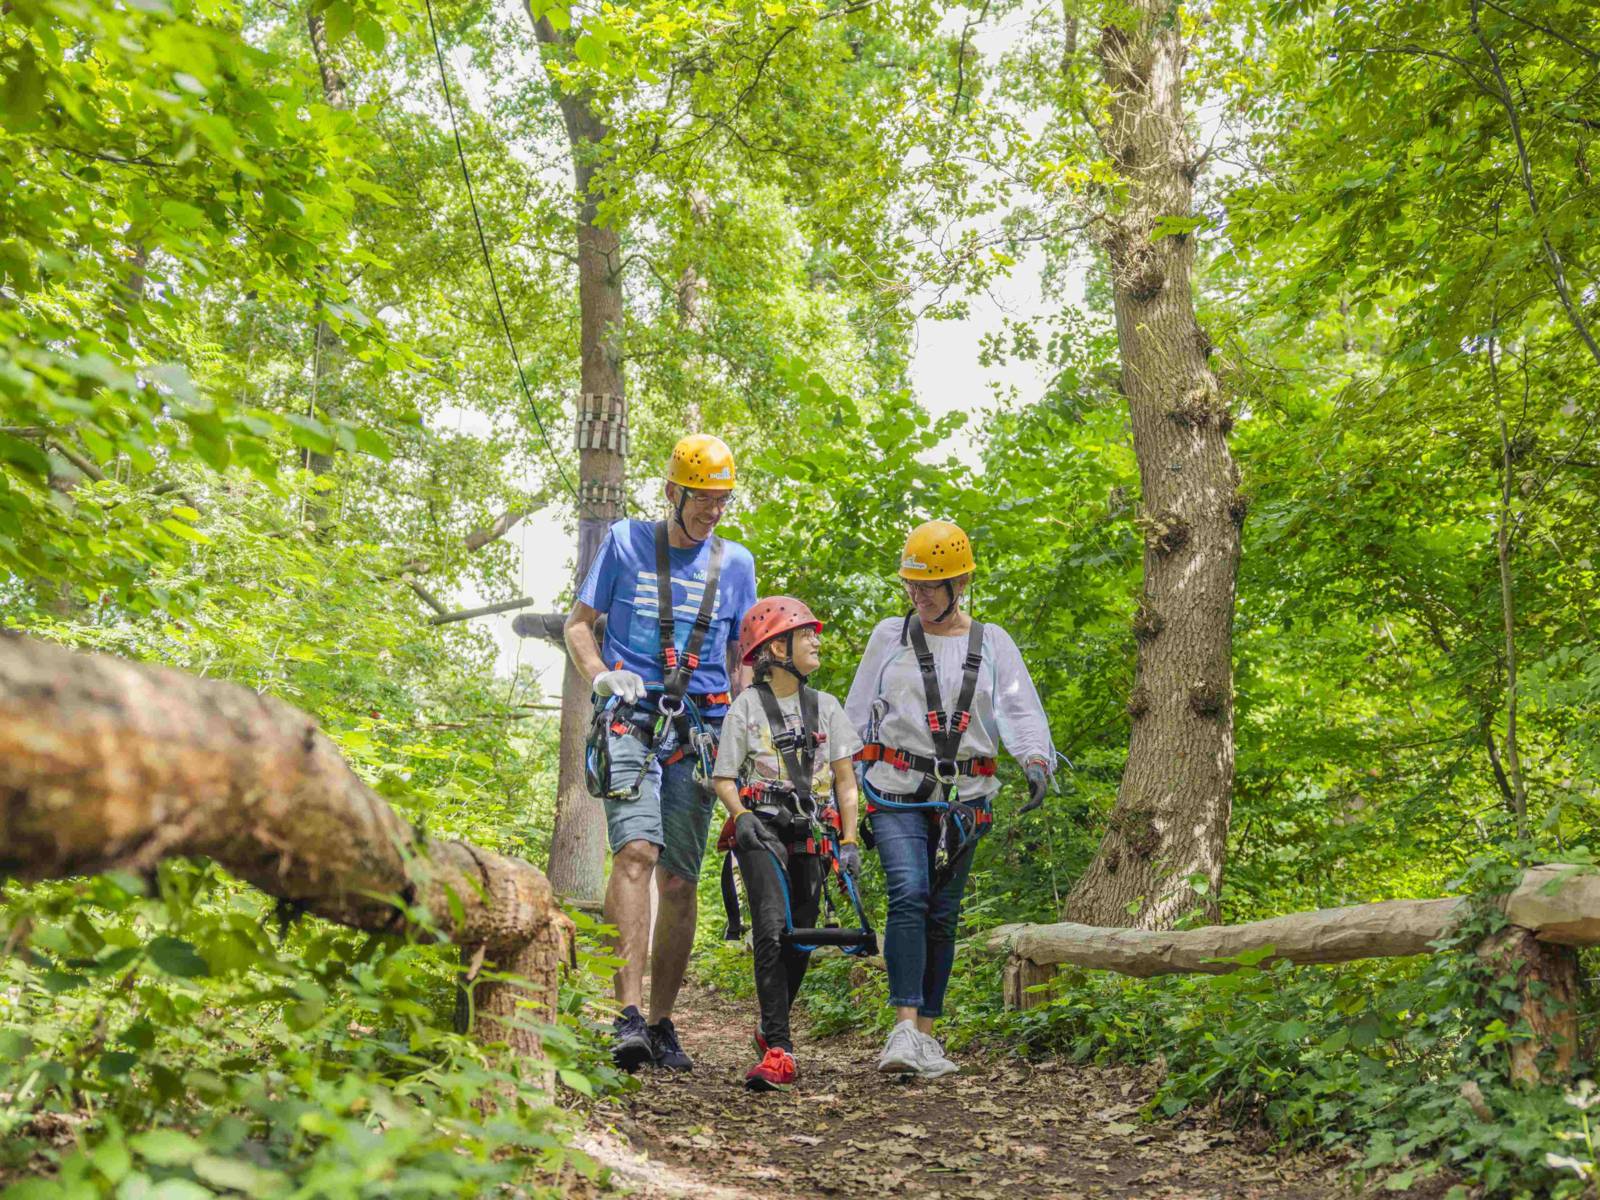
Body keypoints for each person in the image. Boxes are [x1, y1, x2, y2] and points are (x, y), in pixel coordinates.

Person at [564, 434, 757, 1073]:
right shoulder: (623, 543)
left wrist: (742, 725)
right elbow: (577, 623)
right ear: (673, 492)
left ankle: (662, 1021)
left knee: (679, 877)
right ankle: (625, 1015)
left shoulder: (736, 565)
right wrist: (598, 674)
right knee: (637, 853)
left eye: (722, 501)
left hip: (701, 726)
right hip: (631, 717)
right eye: (703, 499)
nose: (713, 512)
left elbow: (745, 659)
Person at [844, 519, 1053, 1078]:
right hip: (894, 789)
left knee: (942, 913)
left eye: (929, 586)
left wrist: (1035, 760)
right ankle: (904, 1028)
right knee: (908, 893)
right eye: (911, 586)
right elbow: (857, 710)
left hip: (966, 797)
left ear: (959, 584)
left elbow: (1020, 709)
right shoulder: (890, 637)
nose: (918, 595)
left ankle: (927, 1038)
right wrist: (829, 779)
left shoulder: (992, 642)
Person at [711, 597, 863, 1091]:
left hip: (813, 834)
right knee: (773, 929)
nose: (817, 640)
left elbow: (845, 781)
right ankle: (780, 1047)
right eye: (806, 635)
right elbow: (725, 776)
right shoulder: (748, 707)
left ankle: (768, 1028)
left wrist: (850, 840)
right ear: (777, 647)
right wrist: (741, 817)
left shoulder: (829, 709)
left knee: (802, 933)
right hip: (762, 830)